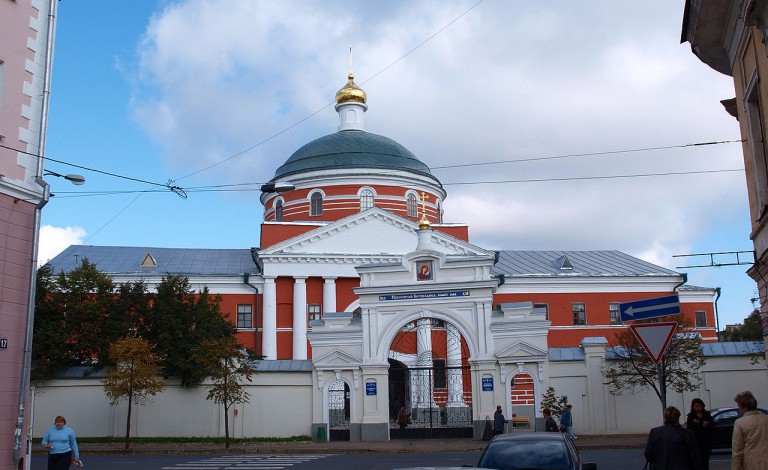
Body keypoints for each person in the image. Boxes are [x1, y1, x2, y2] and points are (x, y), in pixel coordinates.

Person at [644, 406, 699, 470]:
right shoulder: (688, 433)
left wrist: (657, 462)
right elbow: (694, 456)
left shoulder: (655, 432)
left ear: (665, 417)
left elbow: (648, 453)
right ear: (678, 417)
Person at [732, 390, 768, 470]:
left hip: (751, 463)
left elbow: (737, 451)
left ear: (742, 406)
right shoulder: (766, 419)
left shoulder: (740, 423)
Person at [686, 398, 714, 470]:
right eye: (696, 406)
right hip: (696, 441)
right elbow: (689, 429)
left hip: (706, 441)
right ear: (693, 407)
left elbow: (712, 426)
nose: (698, 408)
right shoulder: (691, 416)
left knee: (705, 460)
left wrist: (707, 425)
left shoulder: (707, 414)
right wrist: (694, 424)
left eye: (699, 406)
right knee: (698, 460)